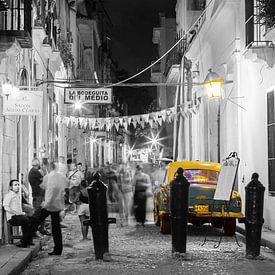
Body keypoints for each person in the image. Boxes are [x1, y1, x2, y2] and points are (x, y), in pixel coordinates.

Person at [33, 162, 67, 255]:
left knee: (36, 220)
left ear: (49, 167)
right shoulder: (61, 177)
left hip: (49, 205)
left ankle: (26, 239)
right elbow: (65, 186)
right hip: (57, 205)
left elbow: (49, 190)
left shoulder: (49, 177)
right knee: (56, 228)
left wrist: (46, 203)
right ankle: (58, 249)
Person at [3, 179, 34, 247]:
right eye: (15, 185)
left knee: (32, 219)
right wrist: (15, 213)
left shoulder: (17, 195)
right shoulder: (9, 195)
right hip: (12, 218)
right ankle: (24, 242)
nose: (17, 186)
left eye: (18, 185)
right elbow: (6, 207)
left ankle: (28, 240)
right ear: (11, 187)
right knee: (26, 220)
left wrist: (22, 213)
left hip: (19, 216)